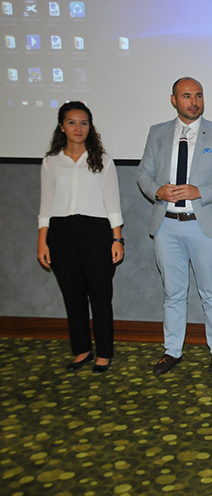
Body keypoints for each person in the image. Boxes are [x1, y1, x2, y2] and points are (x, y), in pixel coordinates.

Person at [137, 77, 212, 375]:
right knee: (173, 293)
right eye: (186, 96)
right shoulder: (157, 133)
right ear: (174, 100)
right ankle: (172, 351)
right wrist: (158, 191)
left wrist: (200, 192)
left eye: (198, 95)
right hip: (166, 225)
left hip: (204, 225)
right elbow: (143, 174)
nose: (194, 102)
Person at [37, 101, 124, 374]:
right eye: (72, 122)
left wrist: (117, 239)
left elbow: (113, 204)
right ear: (62, 127)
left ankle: (104, 353)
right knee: (72, 296)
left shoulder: (103, 161)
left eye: (84, 123)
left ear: (90, 127)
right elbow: (46, 206)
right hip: (60, 234)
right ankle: (82, 350)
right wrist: (42, 241)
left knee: (100, 296)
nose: (78, 128)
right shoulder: (51, 162)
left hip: (96, 233)